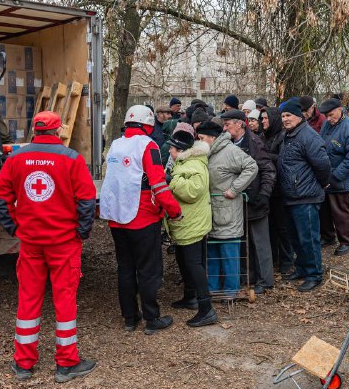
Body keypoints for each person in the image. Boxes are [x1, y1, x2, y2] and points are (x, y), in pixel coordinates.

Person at [0, 111, 97, 382]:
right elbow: (87, 201)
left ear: (34, 130)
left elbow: (1, 198)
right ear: (58, 131)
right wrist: (81, 232)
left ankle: (24, 363)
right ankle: (66, 363)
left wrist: (15, 228)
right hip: (64, 243)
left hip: (30, 243)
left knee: (28, 299)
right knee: (65, 301)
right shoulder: (72, 159)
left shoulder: (16, 158)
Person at [100, 105, 182, 335]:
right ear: (148, 124)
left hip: (117, 218)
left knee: (125, 268)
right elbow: (157, 183)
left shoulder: (116, 144)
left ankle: (129, 317)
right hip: (142, 217)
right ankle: (151, 318)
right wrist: (174, 210)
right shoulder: (148, 145)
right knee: (148, 269)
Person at [196, 121, 257, 298]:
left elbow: (251, 166)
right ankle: (213, 289)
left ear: (212, 138)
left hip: (228, 212)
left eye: (201, 138)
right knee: (212, 254)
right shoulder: (206, 153)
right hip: (211, 213)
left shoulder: (230, 151)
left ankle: (231, 291)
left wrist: (235, 189)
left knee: (229, 254)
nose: (198, 141)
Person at [165, 126, 219, 327]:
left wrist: (172, 181)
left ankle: (206, 309)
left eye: (172, 148)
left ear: (180, 149)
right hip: (185, 222)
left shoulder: (195, 165)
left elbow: (193, 192)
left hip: (192, 224)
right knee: (183, 260)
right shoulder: (184, 162)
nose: (169, 151)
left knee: (194, 264)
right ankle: (190, 297)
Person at [277, 99, 332, 292]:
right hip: (291, 196)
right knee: (295, 237)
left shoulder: (308, 136)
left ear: (299, 116)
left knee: (308, 237)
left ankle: (314, 274)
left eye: (288, 115)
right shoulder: (288, 135)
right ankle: (301, 268)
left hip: (306, 196)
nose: (285, 119)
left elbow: (323, 164)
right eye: (283, 116)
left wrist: (323, 183)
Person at [221, 109, 277, 294]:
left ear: (239, 124)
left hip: (256, 200)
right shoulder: (229, 142)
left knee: (260, 242)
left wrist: (264, 194)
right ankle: (248, 276)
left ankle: (265, 280)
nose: (225, 127)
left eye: (227, 124)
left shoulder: (254, 143)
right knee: (244, 241)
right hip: (238, 202)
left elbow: (268, 170)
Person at [318, 98, 349, 256]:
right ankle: (328, 236)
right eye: (326, 116)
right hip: (326, 177)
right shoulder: (326, 124)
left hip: (341, 179)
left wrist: (336, 175)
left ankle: (347, 241)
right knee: (324, 209)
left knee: (340, 211)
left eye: (331, 115)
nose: (328, 118)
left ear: (340, 109)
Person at [262, 106, 293, 275]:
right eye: (262, 119)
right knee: (271, 226)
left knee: (283, 227)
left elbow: (283, 160)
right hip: (269, 189)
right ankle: (275, 258)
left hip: (280, 189)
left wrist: (265, 156)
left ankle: (287, 260)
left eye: (266, 118)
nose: (263, 121)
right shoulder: (263, 136)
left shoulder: (282, 137)